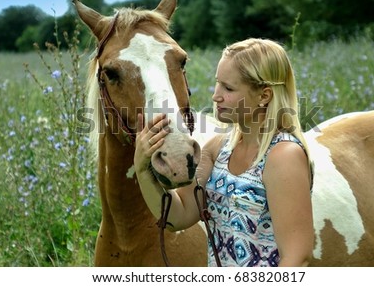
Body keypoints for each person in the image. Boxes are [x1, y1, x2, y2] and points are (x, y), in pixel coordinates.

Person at [134, 38, 314, 267]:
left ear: (264, 96)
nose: (215, 96)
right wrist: (142, 167)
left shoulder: (283, 156)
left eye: (228, 88)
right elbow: (177, 216)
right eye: (217, 83)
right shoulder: (218, 149)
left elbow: (297, 258)